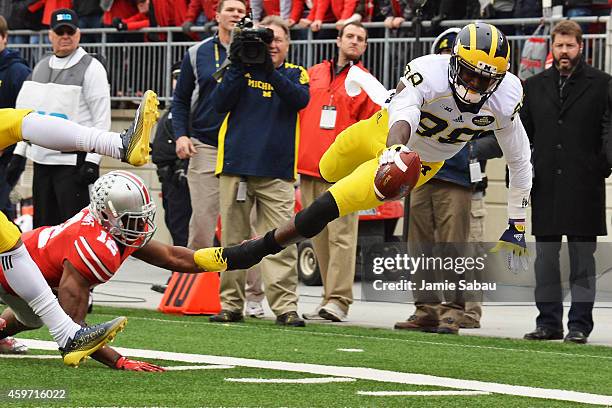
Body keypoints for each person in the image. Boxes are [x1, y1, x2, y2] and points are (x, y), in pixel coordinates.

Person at [195, 23, 533, 300]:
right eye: (470, 74)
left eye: (485, 80)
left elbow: (520, 162)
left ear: (499, 79)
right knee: (327, 168)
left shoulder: (505, 99)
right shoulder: (429, 71)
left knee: (327, 207)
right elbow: (404, 113)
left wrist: (517, 224)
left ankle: (256, 249)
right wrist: (394, 149)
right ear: (454, 62)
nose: (474, 87)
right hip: (382, 133)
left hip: (419, 164)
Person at [0, 89, 159, 366]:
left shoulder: (102, 234)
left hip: (21, 280)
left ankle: (121, 145)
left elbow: (175, 257)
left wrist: (248, 251)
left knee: (16, 122)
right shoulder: (93, 243)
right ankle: (67, 335)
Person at [0, 170, 220, 369]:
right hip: (9, 267)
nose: (141, 224)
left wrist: (237, 256)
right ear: (108, 214)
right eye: (132, 218)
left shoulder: (110, 231)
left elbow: (172, 257)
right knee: (45, 312)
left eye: (142, 216)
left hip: (23, 271)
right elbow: (74, 334)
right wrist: (118, 360)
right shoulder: (92, 247)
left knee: (32, 318)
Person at [208, 15, 310, 327]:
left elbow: (299, 100)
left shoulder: (296, 73)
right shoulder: (239, 68)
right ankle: (230, 305)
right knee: (233, 240)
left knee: (281, 241)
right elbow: (219, 103)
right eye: (267, 40)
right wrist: (238, 64)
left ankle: (285, 307)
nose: (272, 45)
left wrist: (268, 71)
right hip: (235, 167)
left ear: (288, 45)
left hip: (277, 171)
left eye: (278, 39)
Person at [522, 20, 612, 345]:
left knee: (582, 263)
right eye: (559, 45)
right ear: (551, 46)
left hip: (585, 186)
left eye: (569, 46)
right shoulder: (533, 86)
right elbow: (523, 136)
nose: (563, 52)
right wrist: (521, 178)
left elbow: (608, 130)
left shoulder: (603, 84)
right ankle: (547, 323)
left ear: (580, 47)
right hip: (545, 185)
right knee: (545, 261)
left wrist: (602, 166)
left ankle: (579, 326)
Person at [394, 27, 474, 335]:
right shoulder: (426, 84)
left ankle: (453, 309)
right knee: (419, 246)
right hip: (420, 173)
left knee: (453, 246)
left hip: (454, 176)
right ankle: (425, 307)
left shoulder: (479, 91)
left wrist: (471, 149)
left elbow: (495, 133)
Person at [298, 22, 378, 322]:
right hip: (309, 167)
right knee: (315, 234)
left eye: (361, 39)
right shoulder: (314, 73)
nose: (355, 42)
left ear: (366, 46)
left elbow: (372, 129)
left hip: (344, 173)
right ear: (338, 40)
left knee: (342, 236)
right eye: (350, 36)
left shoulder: (367, 82)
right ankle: (326, 298)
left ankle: (339, 300)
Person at [11, 9, 110, 229]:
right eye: (60, 31)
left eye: (69, 31)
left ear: (78, 34)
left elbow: (101, 118)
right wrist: (20, 153)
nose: (65, 36)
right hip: (41, 162)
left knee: (74, 230)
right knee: (43, 230)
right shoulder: (40, 66)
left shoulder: (92, 68)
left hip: (73, 164)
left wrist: (93, 161)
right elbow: (25, 114)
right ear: (50, 35)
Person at [172, 0, 247, 258]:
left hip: (243, 147)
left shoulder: (256, 51)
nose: (236, 14)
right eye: (230, 10)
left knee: (243, 224)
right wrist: (181, 134)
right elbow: (180, 99)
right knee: (203, 219)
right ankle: (194, 283)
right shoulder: (197, 52)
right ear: (216, 15)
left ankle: (250, 294)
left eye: (241, 11)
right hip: (206, 143)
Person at [150, 62, 192, 294]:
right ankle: (179, 275)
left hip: (180, 177)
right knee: (174, 225)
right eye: (174, 77)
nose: (177, 81)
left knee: (182, 227)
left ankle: (183, 275)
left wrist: (183, 167)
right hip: (167, 177)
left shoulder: (189, 109)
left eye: (180, 77)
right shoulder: (173, 109)